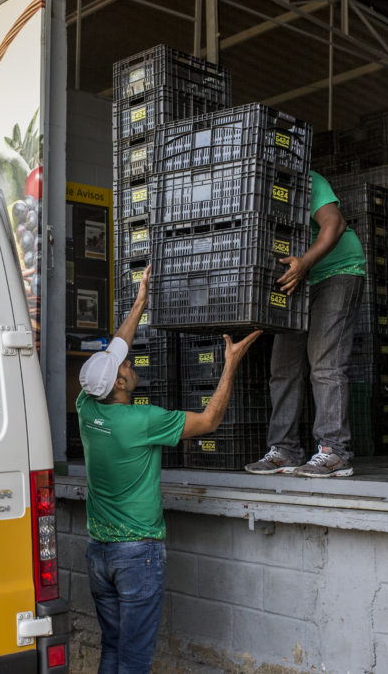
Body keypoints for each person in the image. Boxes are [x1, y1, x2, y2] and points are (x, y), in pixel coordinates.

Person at [77, 264, 261, 673]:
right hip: (137, 554)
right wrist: (230, 363)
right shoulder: (143, 422)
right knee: (135, 659)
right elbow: (209, 421)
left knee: (112, 648)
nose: (126, 363)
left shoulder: (86, 408)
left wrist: (141, 300)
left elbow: (117, 350)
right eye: (123, 367)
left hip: (99, 554)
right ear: (121, 386)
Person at [245, 170, 366, 478]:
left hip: (337, 271)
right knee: (283, 367)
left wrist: (304, 264)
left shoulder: (305, 180)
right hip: (298, 279)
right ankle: (284, 449)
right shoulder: (250, 190)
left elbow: (334, 224)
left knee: (325, 363)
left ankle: (334, 451)